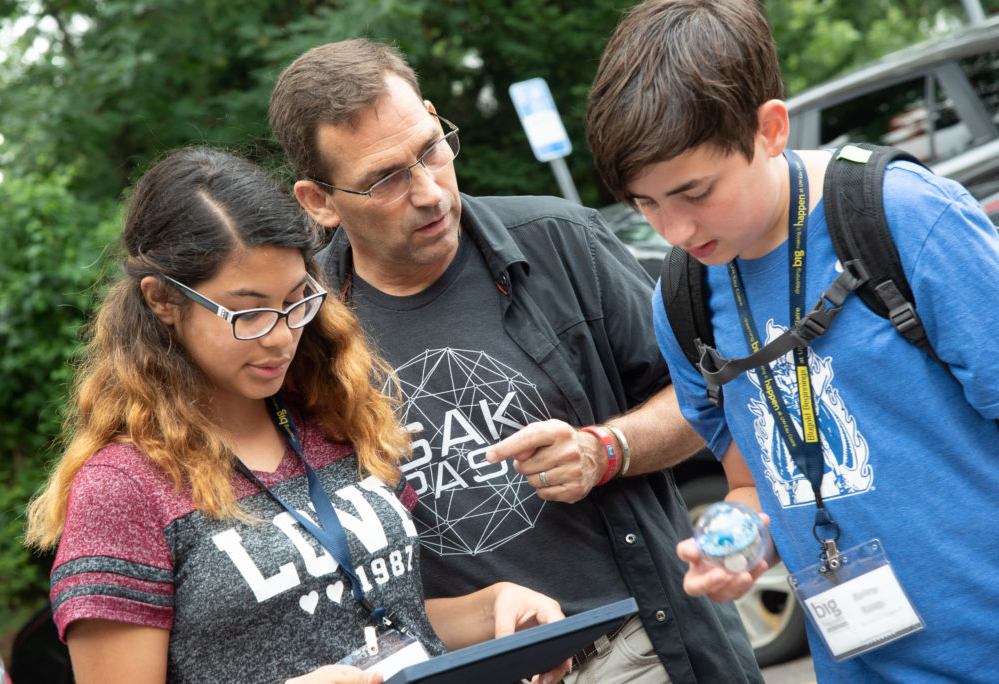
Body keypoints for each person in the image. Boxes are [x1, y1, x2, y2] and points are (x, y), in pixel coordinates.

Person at [268, 39, 762, 684]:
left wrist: (606, 449)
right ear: (319, 201)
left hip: (642, 647)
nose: (428, 192)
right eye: (386, 179)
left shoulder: (563, 244)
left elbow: (710, 399)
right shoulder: (303, 334)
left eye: (431, 148)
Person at [24, 147, 573, 684]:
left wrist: (497, 609)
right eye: (249, 312)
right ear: (164, 301)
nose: (282, 335)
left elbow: (395, 622)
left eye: (294, 301)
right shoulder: (121, 488)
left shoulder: (334, 418)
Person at [585, 0, 999, 682]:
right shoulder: (682, 299)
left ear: (770, 129)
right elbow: (752, 480)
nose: (675, 231)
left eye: (695, 192)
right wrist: (737, 542)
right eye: (646, 204)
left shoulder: (902, 217)